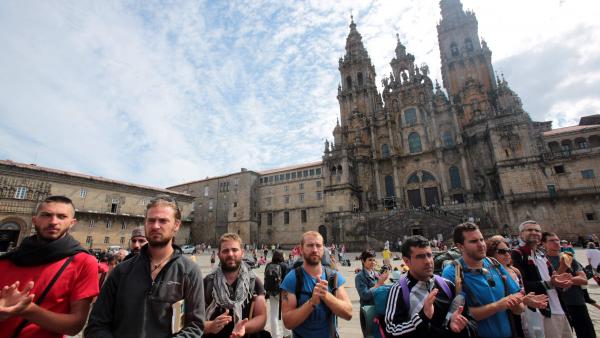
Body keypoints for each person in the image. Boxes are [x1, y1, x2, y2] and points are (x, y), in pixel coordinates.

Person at [85, 195, 205, 337]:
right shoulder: (121, 271)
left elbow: (195, 326)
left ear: (176, 225)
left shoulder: (190, 271)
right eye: (151, 220)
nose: (155, 226)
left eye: (163, 221)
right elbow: (96, 324)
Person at [0, 195, 99, 337]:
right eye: (46, 215)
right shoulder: (6, 261)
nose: (53, 222)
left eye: (62, 216)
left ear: (72, 223)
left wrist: (28, 310)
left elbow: (75, 325)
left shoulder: (84, 262)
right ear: (34, 220)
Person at [383, 235, 477, 337]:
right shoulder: (399, 290)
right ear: (406, 261)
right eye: (420, 257)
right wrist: (423, 317)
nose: (428, 261)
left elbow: (472, 324)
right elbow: (390, 331)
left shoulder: (447, 285)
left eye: (429, 255)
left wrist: (460, 326)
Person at [442, 223, 523, 338]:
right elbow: (458, 315)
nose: (481, 245)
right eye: (474, 241)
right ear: (460, 247)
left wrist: (518, 304)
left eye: (481, 239)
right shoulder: (452, 272)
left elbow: (518, 304)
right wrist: (498, 306)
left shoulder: (494, 264)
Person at [280, 231, 352, 337]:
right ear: (301, 249)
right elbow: (288, 322)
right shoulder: (292, 279)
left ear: (323, 249)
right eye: (310, 245)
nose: (314, 250)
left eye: (318, 245)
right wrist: (312, 303)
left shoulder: (334, 277)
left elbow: (348, 313)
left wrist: (326, 296)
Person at [511, 221, 573, 338]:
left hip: (559, 308)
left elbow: (552, 278)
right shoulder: (517, 254)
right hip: (542, 312)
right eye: (529, 230)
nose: (534, 232)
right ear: (520, 235)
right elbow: (520, 285)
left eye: (537, 230)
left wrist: (561, 281)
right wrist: (550, 283)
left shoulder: (542, 254)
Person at [203, 233, 267, 338]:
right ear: (219, 254)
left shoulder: (254, 282)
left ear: (242, 252)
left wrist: (244, 327)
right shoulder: (207, 282)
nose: (230, 254)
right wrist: (210, 326)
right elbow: (194, 319)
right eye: (225, 251)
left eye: (234, 250)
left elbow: (261, 317)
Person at [486, 235, 548, 337]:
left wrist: (526, 300)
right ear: (491, 253)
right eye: (501, 251)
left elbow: (521, 292)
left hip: (522, 313)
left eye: (508, 250)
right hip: (506, 317)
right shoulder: (491, 274)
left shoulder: (515, 270)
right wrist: (523, 300)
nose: (507, 254)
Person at [542, 232, 595, 338]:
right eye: (552, 241)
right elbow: (551, 283)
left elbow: (584, 279)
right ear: (543, 244)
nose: (556, 243)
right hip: (559, 306)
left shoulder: (568, 258)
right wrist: (563, 269)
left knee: (587, 333)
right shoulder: (543, 262)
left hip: (577, 301)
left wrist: (564, 279)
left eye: (557, 240)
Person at [265, 250, 290, 338]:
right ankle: (287, 333)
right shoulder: (285, 265)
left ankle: (276, 335)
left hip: (272, 292)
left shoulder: (268, 265)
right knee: (285, 312)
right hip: (283, 292)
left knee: (273, 314)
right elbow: (288, 280)